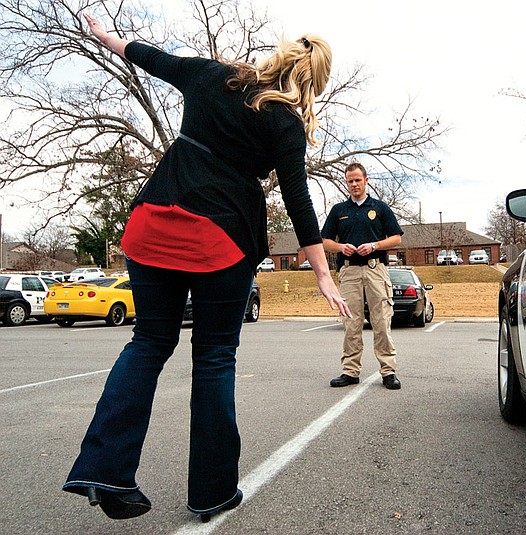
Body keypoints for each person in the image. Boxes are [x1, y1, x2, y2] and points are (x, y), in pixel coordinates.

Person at [63, 14, 349, 523]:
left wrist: (105, 34)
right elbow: (298, 197)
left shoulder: (211, 74)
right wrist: (323, 271)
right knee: (215, 356)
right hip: (220, 239)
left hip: (152, 223)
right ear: (312, 83)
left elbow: (148, 55)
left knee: (149, 342)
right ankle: (212, 492)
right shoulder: (283, 121)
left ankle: (104, 470)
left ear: (276, 58)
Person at [321, 162, 403, 390]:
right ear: (346, 183)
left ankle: (388, 371)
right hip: (349, 272)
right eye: (350, 181)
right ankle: (350, 371)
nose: (354, 184)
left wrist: (375, 245)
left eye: (358, 180)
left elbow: (396, 238)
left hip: (376, 269)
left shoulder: (380, 207)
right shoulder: (339, 211)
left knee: (381, 321)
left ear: (366, 180)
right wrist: (340, 248)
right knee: (351, 322)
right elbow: (325, 241)